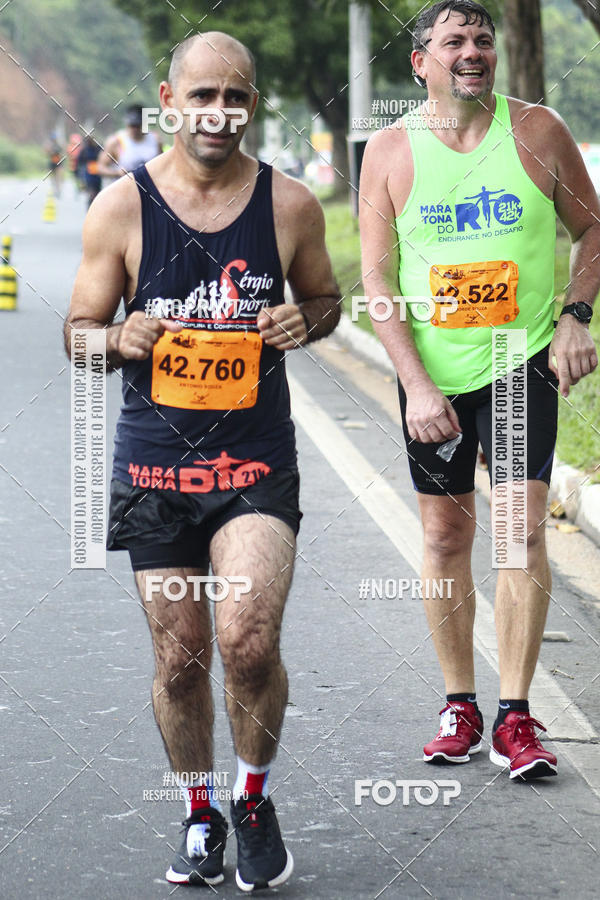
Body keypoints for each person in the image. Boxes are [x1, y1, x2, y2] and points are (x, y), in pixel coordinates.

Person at [64, 31, 340, 890]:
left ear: (252, 103)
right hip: (155, 471)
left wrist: (305, 321)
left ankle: (251, 800)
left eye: (236, 96)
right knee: (180, 658)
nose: (220, 113)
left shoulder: (290, 205)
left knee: (246, 641)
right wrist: (117, 338)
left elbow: (326, 300)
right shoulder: (120, 208)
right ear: (169, 101)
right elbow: (77, 336)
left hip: (254, 464)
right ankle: (198, 812)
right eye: (203, 95)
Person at [359, 0, 599, 781]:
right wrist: (415, 383)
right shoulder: (389, 151)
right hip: (435, 375)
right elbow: (378, 282)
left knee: (520, 529)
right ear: (419, 62)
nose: (472, 51)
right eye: (454, 40)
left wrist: (574, 317)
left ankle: (515, 715)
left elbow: (593, 229)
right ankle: (458, 704)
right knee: (443, 538)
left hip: (516, 359)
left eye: (483, 40)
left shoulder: (538, 131)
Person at [97, 104, 162, 178]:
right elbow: (100, 168)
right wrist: (117, 173)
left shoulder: (155, 139)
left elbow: (163, 164)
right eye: (132, 125)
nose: (134, 129)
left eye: (137, 125)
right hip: (124, 184)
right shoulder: (116, 141)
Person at [76, 135, 102, 208]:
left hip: (97, 173)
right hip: (88, 173)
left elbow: (102, 158)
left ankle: (95, 205)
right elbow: (79, 160)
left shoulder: (98, 148)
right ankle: (90, 205)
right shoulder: (85, 149)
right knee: (91, 191)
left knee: (97, 191)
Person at [44, 132, 63, 196]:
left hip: (58, 163)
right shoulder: (50, 145)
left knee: (58, 177)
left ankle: (58, 190)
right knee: (53, 178)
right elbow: (46, 153)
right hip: (52, 163)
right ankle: (55, 189)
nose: (54, 140)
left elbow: (61, 152)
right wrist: (49, 151)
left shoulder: (59, 145)